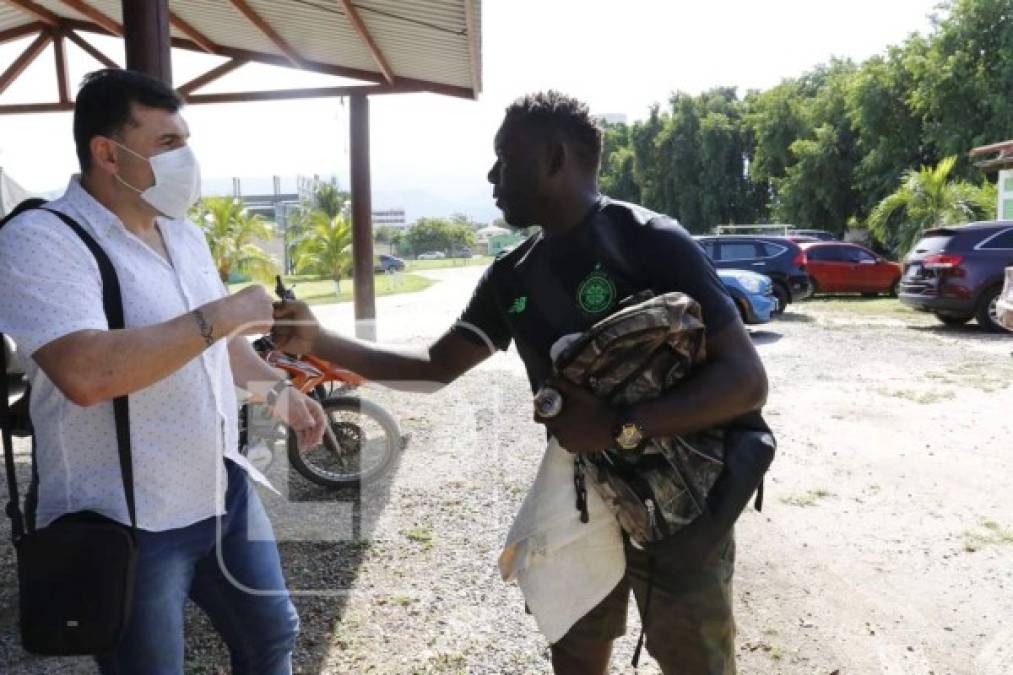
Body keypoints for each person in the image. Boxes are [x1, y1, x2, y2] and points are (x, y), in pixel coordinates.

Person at [272, 91, 768, 674]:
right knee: (576, 645)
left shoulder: (649, 240)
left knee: (694, 660)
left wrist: (617, 426)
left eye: (504, 158)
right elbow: (436, 365)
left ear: (555, 159)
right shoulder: (511, 276)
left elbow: (745, 381)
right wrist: (319, 341)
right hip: (580, 496)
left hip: (685, 498)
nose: (491, 175)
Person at [0, 69, 327, 674]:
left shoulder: (184, 235)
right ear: (107, 152)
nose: (187, 159)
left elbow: (218, 346)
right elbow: (85, 373)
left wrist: (276, 392)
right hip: (123, 518)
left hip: (218, 490)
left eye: (186, 140)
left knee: (271, 637)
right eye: (168, 144)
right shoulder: (44, 239)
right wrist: (221, 312)